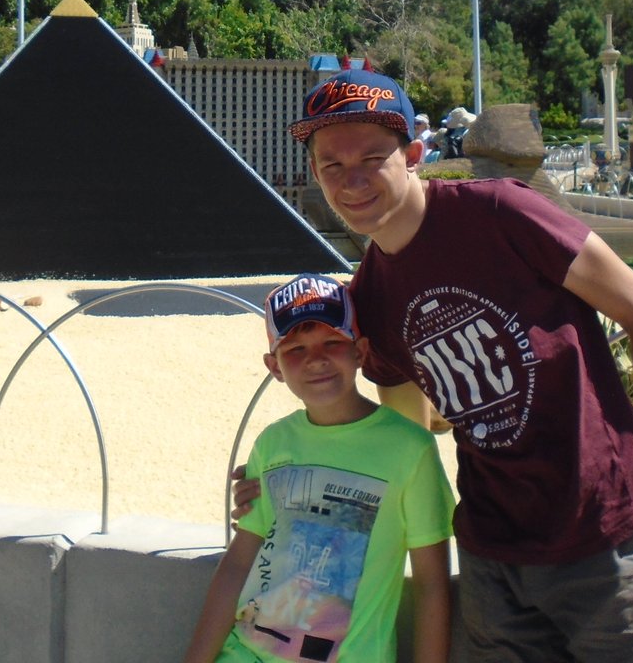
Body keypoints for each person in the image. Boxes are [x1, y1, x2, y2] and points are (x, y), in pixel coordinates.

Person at [261, 69, 633, 663]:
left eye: (373, 159)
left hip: (602, 535)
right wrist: (277, 482)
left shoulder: (502, 213)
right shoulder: (370, 298)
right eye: (332, 165)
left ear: (414, 155)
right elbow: (399, 441)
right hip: (490, 557)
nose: (352, 181)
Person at [184, 273, 453, 663]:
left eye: (332, 342)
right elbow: (238, 564)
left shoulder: (411, 448)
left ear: (360, 351)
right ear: (274, 366)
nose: (316, 359)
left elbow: (431, 584)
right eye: (296, 349)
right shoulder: (272, 443)